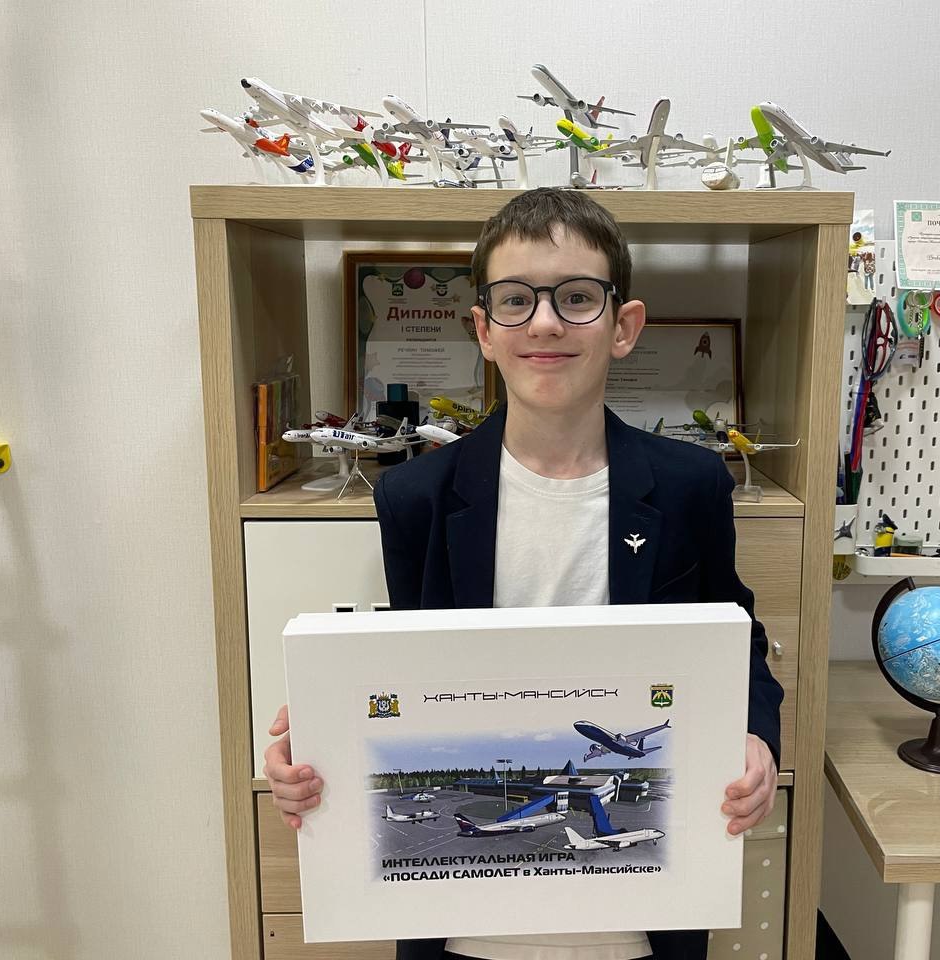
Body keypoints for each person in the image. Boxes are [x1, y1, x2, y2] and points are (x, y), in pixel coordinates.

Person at [264, 188, 784, 960]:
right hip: (462, 925)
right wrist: (320, 734)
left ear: (623, 326)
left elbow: (739, 645)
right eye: (516, 300)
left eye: (577, 297)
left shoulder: (690, 486)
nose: (544, 323)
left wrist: (757, 737)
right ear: (484, 329)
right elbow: (409, 675)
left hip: (644, 920)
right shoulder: (416, 497)